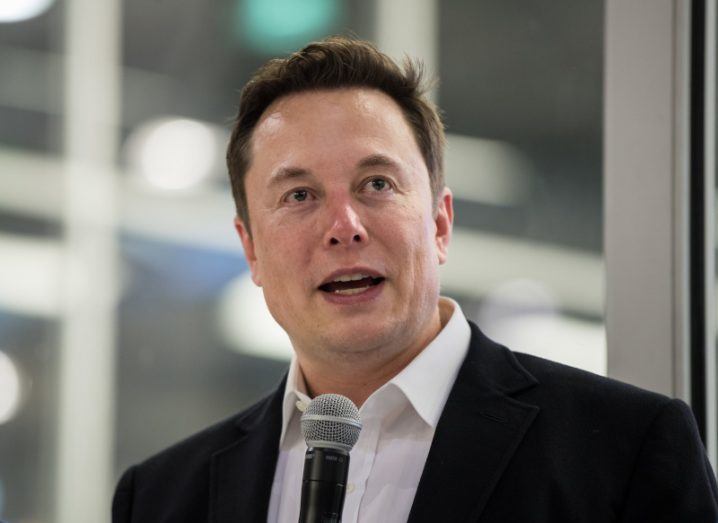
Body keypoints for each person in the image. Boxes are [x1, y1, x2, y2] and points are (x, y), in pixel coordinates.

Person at [112, 36, 718, 522]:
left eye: (377, 184)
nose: (343, 226)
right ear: (251, 251)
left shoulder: (624, 449)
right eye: (299, 195)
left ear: (441, 224)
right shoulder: (163, 497)